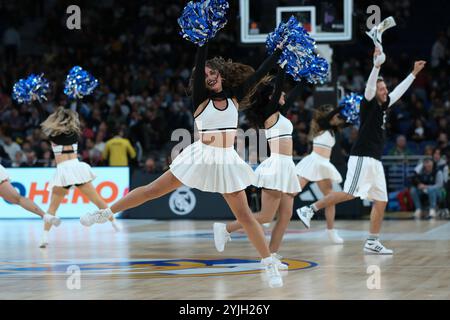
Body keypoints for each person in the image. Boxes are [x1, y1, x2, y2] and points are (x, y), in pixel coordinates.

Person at [79, 39, 287, 287]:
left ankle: (268, 263)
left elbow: (261, 73)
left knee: (245, 216)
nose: (208, 76)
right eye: (205, 74)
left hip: (226, 161)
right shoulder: (200, 99)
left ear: (220, 74)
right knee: (152, 190)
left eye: (212, 72)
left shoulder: (234, 97)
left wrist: (278, 52)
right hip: (200, 157)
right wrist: (204, 40)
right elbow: (199, 64)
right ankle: (104, 213)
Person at [297, 44, 426, 255]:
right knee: (349, 194)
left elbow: (399, 92)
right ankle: (309, 209)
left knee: (381, 201)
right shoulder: (368, 103)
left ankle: (372, 241)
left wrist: (413, 73)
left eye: (385, 89)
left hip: (375, 161)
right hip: (362, 158)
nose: (385, 91)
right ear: (375, 92)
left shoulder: (384, 104)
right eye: (381, 89)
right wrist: (376, 66)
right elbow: (369, 89)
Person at [213, 67, 302, 268]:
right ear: (272, 96)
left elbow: (293, 95)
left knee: (286, 215)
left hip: (287, 166)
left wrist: (305, 78)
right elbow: (280, 86)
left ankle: (271, 254)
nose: (285, 95)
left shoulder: (281, 112)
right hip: (276, 166)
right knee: (265, 216)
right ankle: (225, 229)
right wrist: (282, 67)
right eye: (280, 93)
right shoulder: (270, 112)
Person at [40, 107, 119, 248]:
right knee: (97, 200)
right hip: (77, 169)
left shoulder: (52, 135)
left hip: (63, 171)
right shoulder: (76, 134)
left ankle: (45, 237)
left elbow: (44, 122)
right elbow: (75, 117)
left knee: (52, 207)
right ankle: (115, 223)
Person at [295, 104, 348, 244]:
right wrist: (340, 106)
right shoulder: (321, 125)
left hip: (324, 164)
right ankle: (269, 216)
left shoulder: (332, 129)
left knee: (330, 198)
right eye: (334, 115)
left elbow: (347, 121)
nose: (336, 118)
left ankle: (330, 231)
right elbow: (329, 117)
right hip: (314, 161)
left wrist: (351, 109)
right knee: (293, 191)